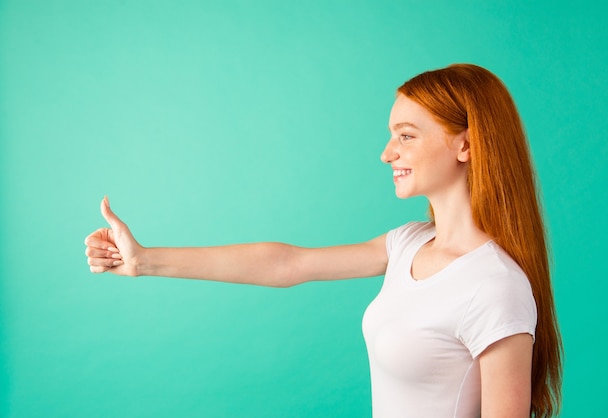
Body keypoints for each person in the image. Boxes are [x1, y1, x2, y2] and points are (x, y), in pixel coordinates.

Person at [85, 64, 562, 417]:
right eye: (391, 134)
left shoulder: (495, 287)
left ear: (466, 144)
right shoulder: (408, 243)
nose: (387, 152)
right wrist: (144, 260)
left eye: (407, 135)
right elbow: (287, 264)